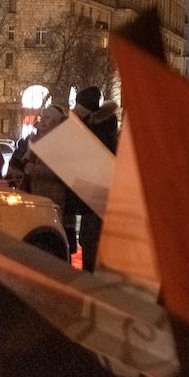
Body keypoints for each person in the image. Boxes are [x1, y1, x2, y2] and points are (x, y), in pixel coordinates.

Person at [71, 86, 118, 272]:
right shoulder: (97, 124)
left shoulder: (99, 125)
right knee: (87, 237)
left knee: (91, 238)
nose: (75, 109)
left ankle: (91, 276)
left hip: (97, 191)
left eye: (79, 105)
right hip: (93, 189)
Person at [21, 104, 74, 249]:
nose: (42, 121)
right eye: (42, 117)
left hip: (52, 197)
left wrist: (33, 169)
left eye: (47, 118)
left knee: (49, 238)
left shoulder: (61, 142)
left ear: (56, 123)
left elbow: (61, 172)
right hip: (35, 195)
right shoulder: (37, 139)